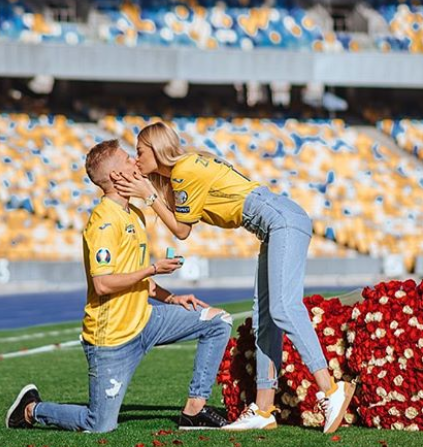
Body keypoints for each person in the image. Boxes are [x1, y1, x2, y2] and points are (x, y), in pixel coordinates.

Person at [111, 122, 355, 433]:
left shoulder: (184, 170)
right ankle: (264, 409)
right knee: (265, 318)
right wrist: (146, 189)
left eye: (140, 152)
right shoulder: (184, 169)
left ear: (157, 149)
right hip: (274, 223)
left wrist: (148, 196)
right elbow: (179, 213)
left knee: (283, 308)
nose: (137, 158)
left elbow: (181, 230)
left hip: (280, 220)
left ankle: (331, 390)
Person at [5, 140, 232, 433]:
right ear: (116, 175)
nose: (134, 162)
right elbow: (102, 284)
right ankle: (31, 410)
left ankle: (194, 410)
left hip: (146, 320)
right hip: (111, 338)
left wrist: (171, 298)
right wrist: (153, 268)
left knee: (218, 321)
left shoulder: (134, 213)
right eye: (127, 159)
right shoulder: (103, 222)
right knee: (99, 424)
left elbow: (137, 277)